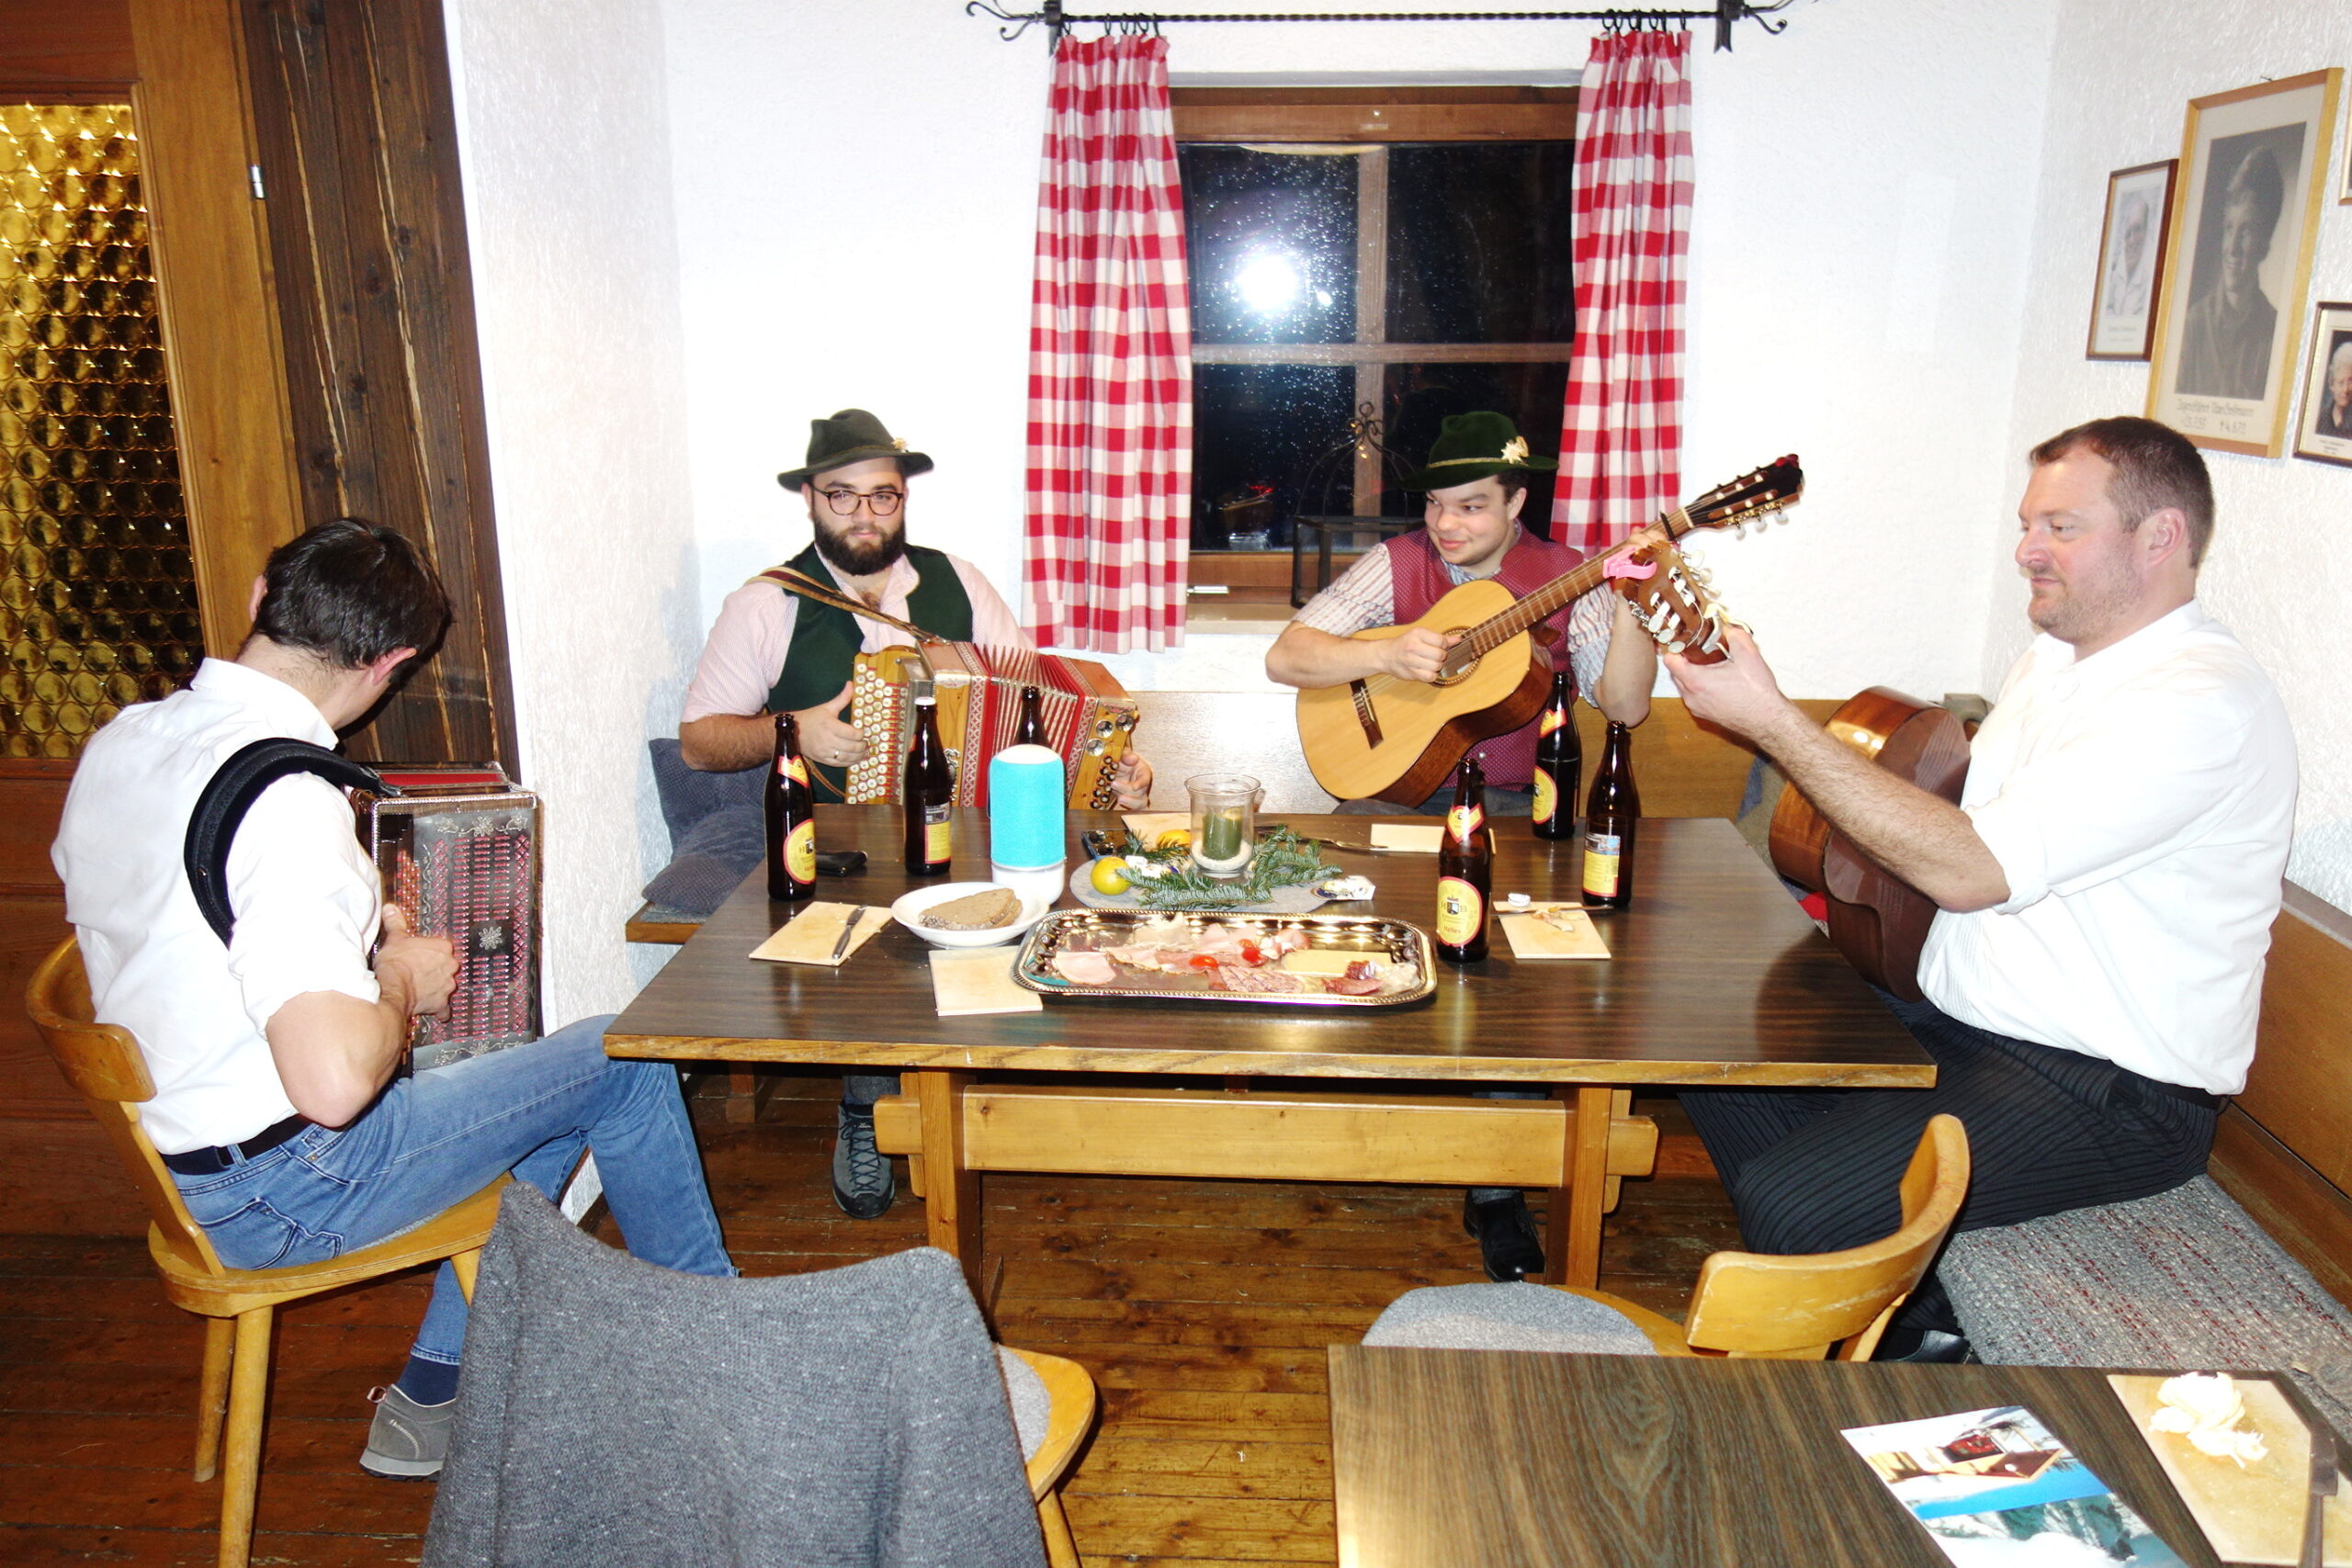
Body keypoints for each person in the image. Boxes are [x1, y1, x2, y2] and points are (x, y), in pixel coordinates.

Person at [52, 519, 734, 1478]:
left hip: (178, 1170)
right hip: (281, 1191)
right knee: (622, 1059)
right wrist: (399, 980)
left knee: (537, 1088)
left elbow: (179, 915)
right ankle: (726, 1363)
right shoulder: (290, 804)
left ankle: (434, 1394)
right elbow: (332, 1085)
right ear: (393, 664)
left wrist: (356, 931)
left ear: (260, 599)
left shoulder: (128, 741)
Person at [1659, 416, 2296, 1360]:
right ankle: (1892, 1295)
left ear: (2160, 536)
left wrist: (1775, 723)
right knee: (1699, 1029)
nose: (2026, 551)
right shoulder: (2056, 657)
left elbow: (1971, 871)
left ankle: (1895, 1328)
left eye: (2061, 528)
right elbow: (1955, 832)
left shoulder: (2197, 703)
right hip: (1959, 1022)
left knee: (1796, 1204)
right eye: (2026, 524)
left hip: (2106, 1083)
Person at [680, 408, 1151, 1222]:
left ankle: (1015, 1099)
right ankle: (866, 1109)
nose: (865, 514)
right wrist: (793, 729)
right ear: (810, 499)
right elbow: (699, 742)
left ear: (903, 499)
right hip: (844, 844)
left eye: (883, 496)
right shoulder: (765, 604)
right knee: (876, 931)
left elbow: (1031, 703)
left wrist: (1107, 771)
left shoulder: (958, 580)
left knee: (1057, 894)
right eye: (843, 495)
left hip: (971, 829)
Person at [1264, 410, 1661, 1282]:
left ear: (1517, 502)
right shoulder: (1398, 562)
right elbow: (1288, 656)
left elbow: (1627, 706)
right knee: (1355, 951)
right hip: (1389, 801)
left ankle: (1496, 1184)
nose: (1446, 524)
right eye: (1437, 503)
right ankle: (1341, 1138)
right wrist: (1387, 656)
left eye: (1472, 505)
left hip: (1516, 814)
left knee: (1512, 991)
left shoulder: (1569, 575)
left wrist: (1633, 609)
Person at [2177, 146, 2287, 400]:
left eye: (2245, 231)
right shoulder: (2193, 324)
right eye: (2229, 229)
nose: (2232, 248)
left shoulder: (2274, 333)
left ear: (2264, 244)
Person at [2314, 338, 2352, 439]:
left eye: (2350, 382)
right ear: (2332, 385)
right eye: (2340, 383)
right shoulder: (2320, 420)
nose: (2345, 389)